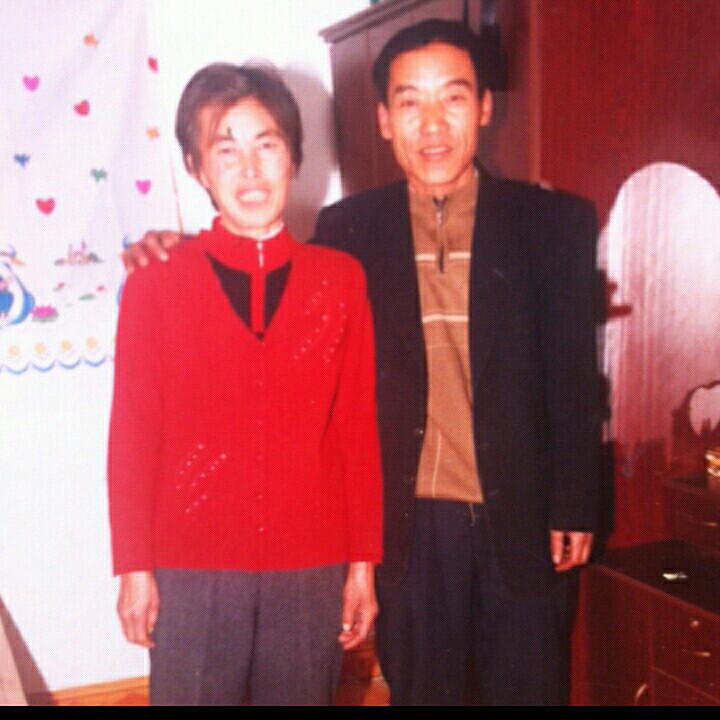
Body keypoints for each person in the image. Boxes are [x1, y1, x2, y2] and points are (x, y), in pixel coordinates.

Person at [123, 19, 602, 706]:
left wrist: (576, 499)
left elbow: (574, 373)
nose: (432, 124)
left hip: (523, 513)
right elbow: (255, 261)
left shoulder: (551, 222)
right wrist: (166, 245)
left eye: (453, 98)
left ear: (484, 107)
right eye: (410, 102)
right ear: (382, 119)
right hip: (411, 525)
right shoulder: (349, 230)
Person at [108, 62, 382, 706]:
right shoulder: (156, 282)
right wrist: (134, 568)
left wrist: (362, 565)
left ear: (295, 157)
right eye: (226, 151)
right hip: (191, 568)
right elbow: (133, 435)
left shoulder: (340, 280)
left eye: (268, 145)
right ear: (197, 168)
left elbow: (357, 432)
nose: (251, 171)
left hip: (311, 568)